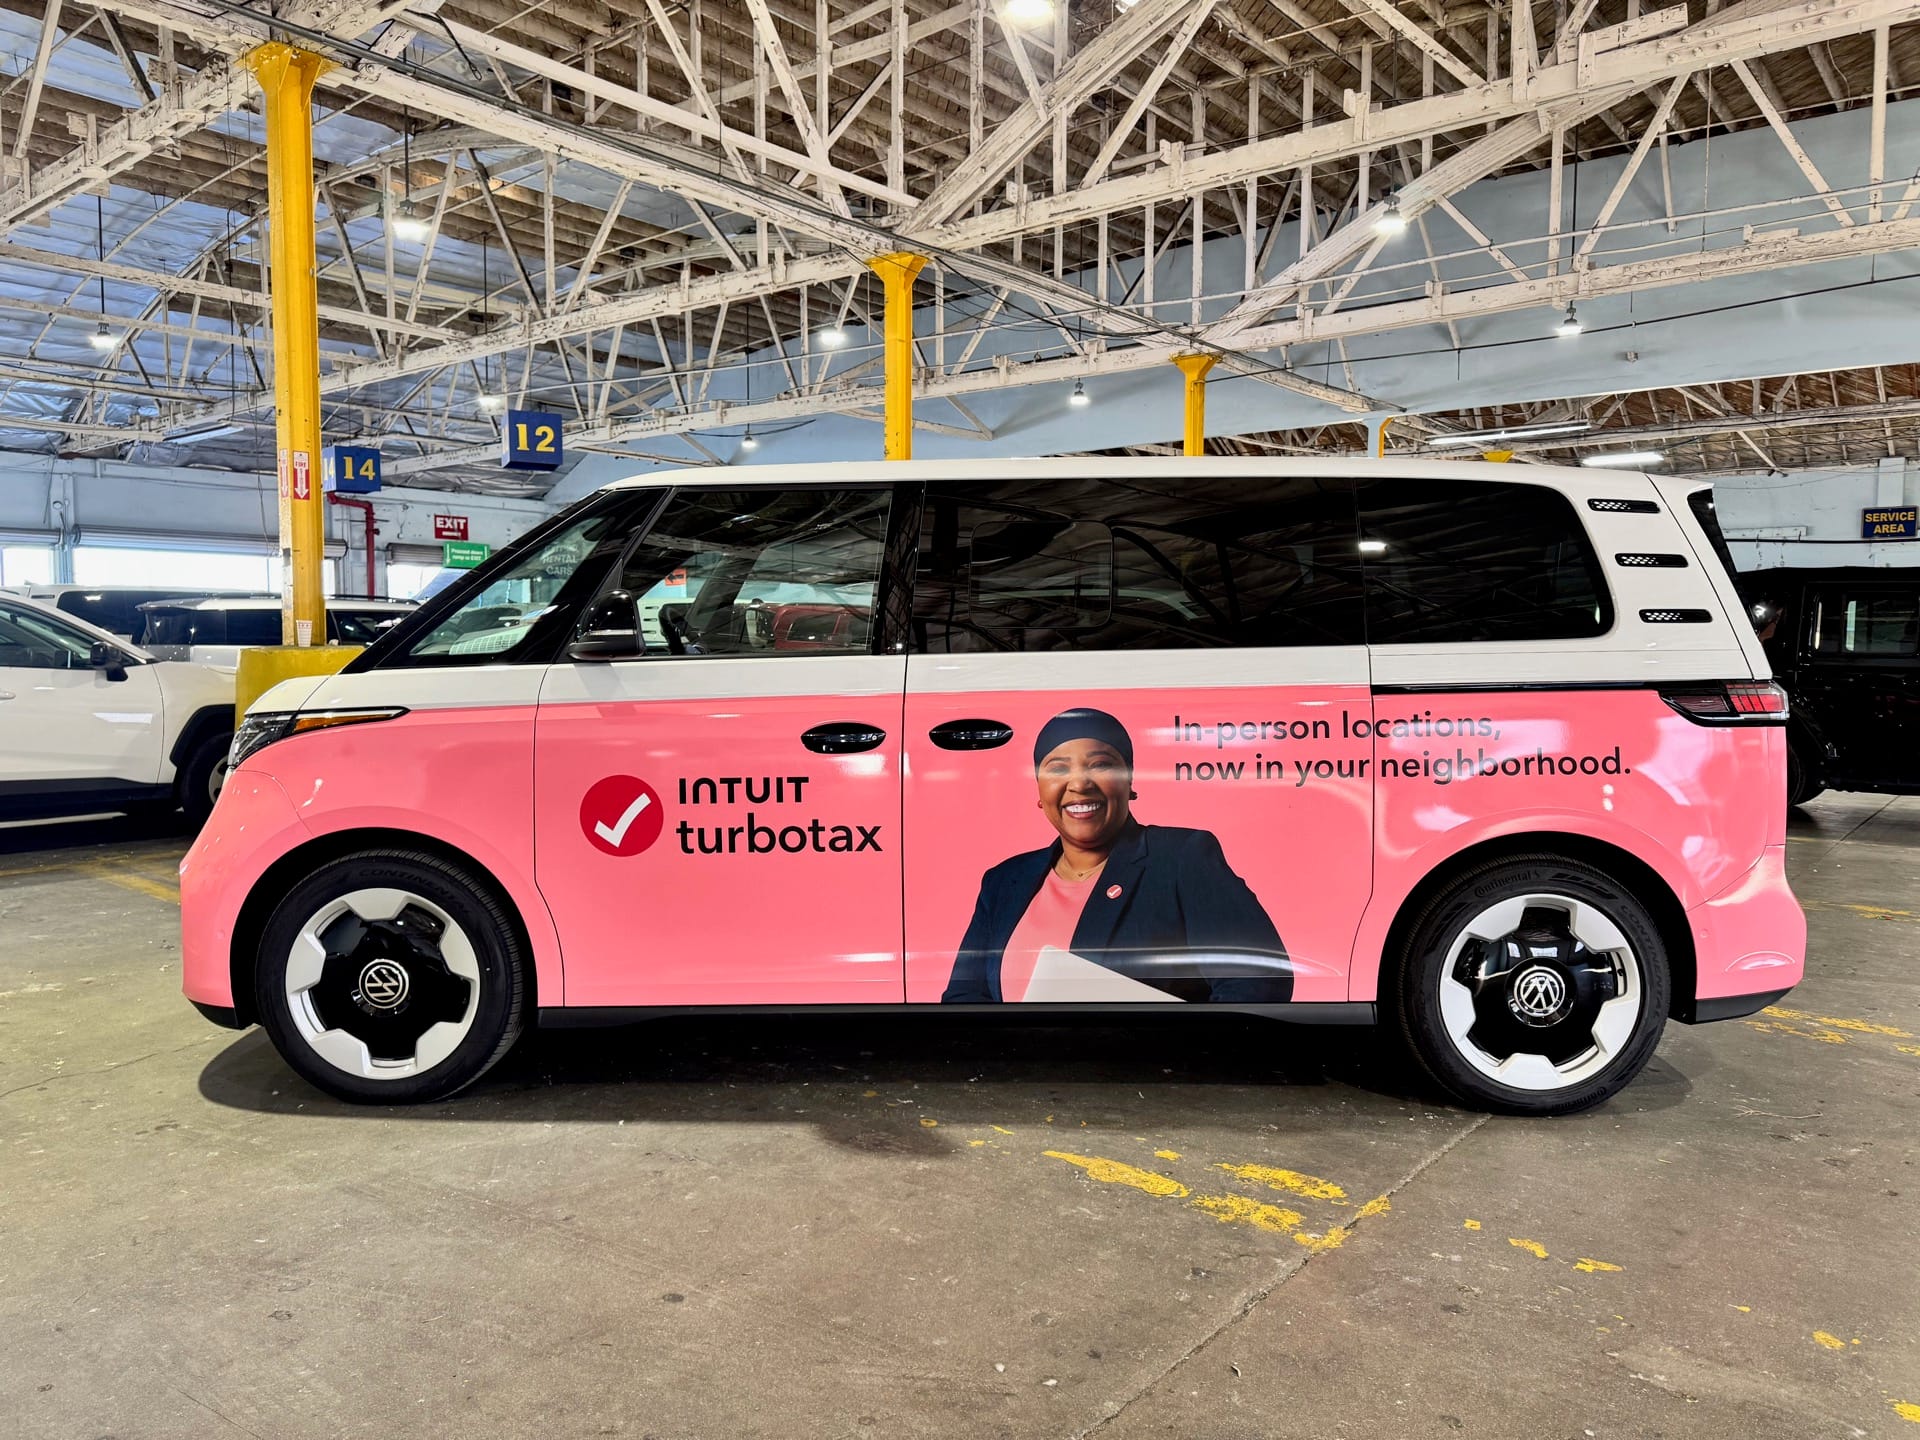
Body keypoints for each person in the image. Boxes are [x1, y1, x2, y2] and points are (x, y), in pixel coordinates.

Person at [941, 708, 1292, 1004]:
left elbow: (1259, 980)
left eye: (1100, 765)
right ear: (1039, 788)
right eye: (1058, 768)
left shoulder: (1181, 858)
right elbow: (964, 998)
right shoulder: (1005, 881)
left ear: (1129, 779)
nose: (1080, 783)